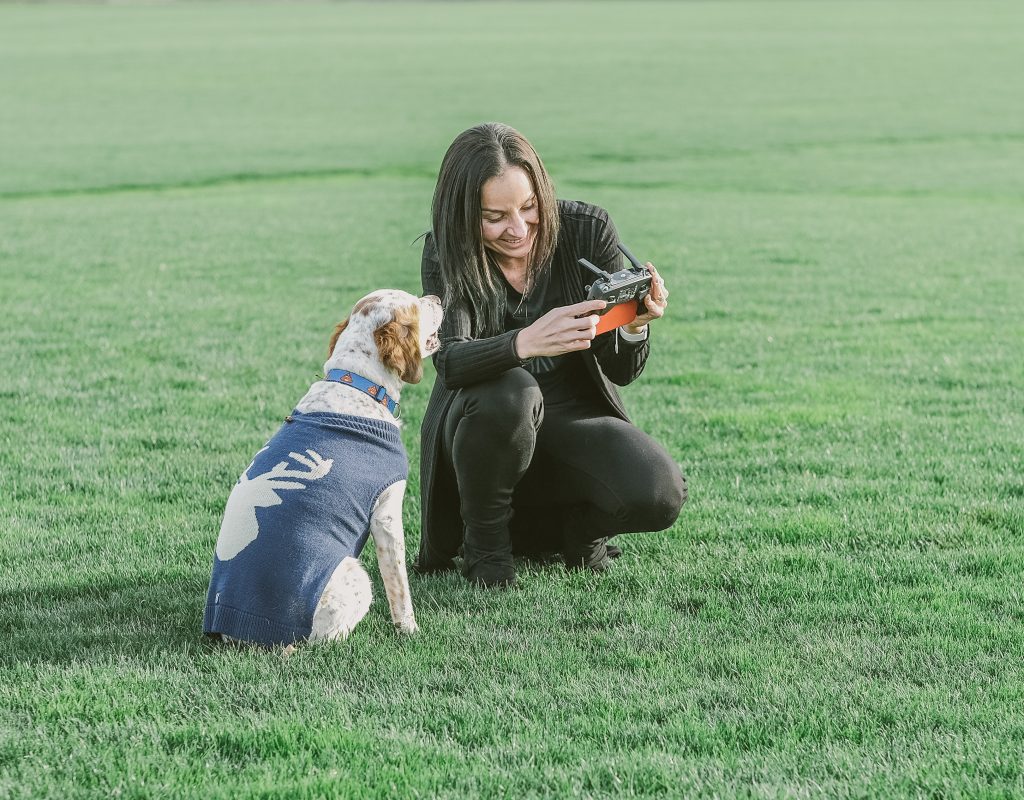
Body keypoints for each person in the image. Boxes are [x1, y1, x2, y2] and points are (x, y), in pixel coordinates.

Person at [416, 122, 687, 587]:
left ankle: (578, 536)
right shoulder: (448, 250)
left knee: (660, 492)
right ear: (462, 213)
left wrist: (635, 325)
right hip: (484, 425)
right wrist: (525, 342)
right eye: (494, 216)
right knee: (513, 390)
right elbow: (451, 362)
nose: (518, 229)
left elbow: (620, 371)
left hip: (570, 420)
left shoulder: (587, 230)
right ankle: (486, 552)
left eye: (528, 206)